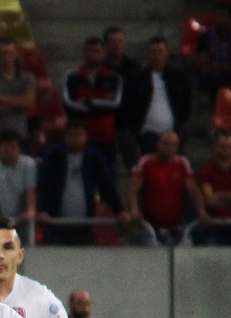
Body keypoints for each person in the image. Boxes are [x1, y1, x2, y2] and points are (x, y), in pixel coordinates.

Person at [35, 122, 126, 246]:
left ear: (85, 136)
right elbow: (44, 183)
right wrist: (42, 209)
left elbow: (107, 185)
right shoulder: (54, 156)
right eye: (72, 134)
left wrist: (119, 210)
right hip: (56, 224)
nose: (75, 138)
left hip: (85, 226)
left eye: (79, 134)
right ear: (65, 136)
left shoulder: (94, 157)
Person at [117, 35, 192, 167]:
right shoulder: (136, 78)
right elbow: (127, 106)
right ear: (148, 54)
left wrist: (181, 127)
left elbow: (187, 104)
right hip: (146, 136)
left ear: (166, 53)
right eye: (153, 52)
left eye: (160, 52)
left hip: (173, 135)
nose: (157, 56)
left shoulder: (179, 76)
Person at [130, 130, 207, 244]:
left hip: (176, 227)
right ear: (158, 144)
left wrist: (201, 210)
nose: (168, 148)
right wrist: (134, 208)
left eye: (173, 145)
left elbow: (193, 191)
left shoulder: (182, 163)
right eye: (165, 144)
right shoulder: (146, 162)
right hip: (149, 227)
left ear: (177, 147)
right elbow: (133, 190)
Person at [62, 38, 122, 158]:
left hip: (106, 137)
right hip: (79, 139)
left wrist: (87, 102)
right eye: (89, 51)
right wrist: (101, 104)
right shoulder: (72, 77)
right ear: (84, 53)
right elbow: (68, 104)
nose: (93, 55)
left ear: (103, 54)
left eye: (96, 51)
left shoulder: (114, 78)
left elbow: (115, 105)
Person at [197, 129, 231, 244]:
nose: (226, 150)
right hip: (213, 227)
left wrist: (219, 195)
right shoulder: (206, 171)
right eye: (222, 146)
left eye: (229, 146)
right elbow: (210, 200)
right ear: (215, 147)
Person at [0, 41, 36, 151]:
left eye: (10, 53)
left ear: (16, 55)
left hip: (20, 139)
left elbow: (28, 103)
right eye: (3, 53)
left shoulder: (27, 79)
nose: (7, 57)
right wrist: (18, 103)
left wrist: (2, 99)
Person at [0, 132, 36, 228]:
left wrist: (30, 211)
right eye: (5, 146)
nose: (8, 150)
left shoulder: (28, 164)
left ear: (19, 148)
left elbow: (30, 190)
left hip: (21, 220)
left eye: (12, 146)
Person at [194, 2, 231, 92]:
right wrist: (224, 69)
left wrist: (220, 68)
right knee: (211, 80)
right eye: (217, 16)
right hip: (215, 74)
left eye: (223, 16)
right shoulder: (205, 37)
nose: (219, 19)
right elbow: (205, 65)